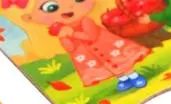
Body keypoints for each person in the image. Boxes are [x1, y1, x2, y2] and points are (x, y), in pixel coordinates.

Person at [21, 0, 150, 91]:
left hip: (107, 46)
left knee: (120, 61)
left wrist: (72, 33)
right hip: (89, 55)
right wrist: (63, 37)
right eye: (51, 8)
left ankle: (134, 76)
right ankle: (123, 79)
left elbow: (91, 36)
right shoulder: (63, 30)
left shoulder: (86, 20)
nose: (69, 6)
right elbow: (70, 48)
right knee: (106, 66)